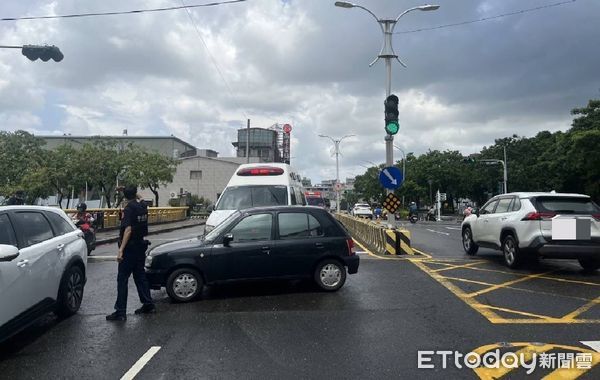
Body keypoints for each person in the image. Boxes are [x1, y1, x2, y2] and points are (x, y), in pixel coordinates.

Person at [106, 185, 154, 321]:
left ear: (125, 196)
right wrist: (129, 191)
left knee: (122, 279)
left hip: (130, 248)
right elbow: (141, 198)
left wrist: (121, 250)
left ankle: (120, 312)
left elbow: (128, 230)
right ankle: (148, 304)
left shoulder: (128, 209)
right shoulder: (142, 206)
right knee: (140, 276)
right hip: (141, 246)